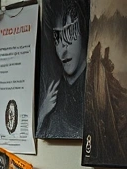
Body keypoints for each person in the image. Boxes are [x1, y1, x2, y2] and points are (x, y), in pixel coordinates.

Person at [37, 0, 88, 138]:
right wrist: (42, 113)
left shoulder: (94, 86)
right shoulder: (56, 91)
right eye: (58, 38)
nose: (62, 51)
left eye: (70, 34)